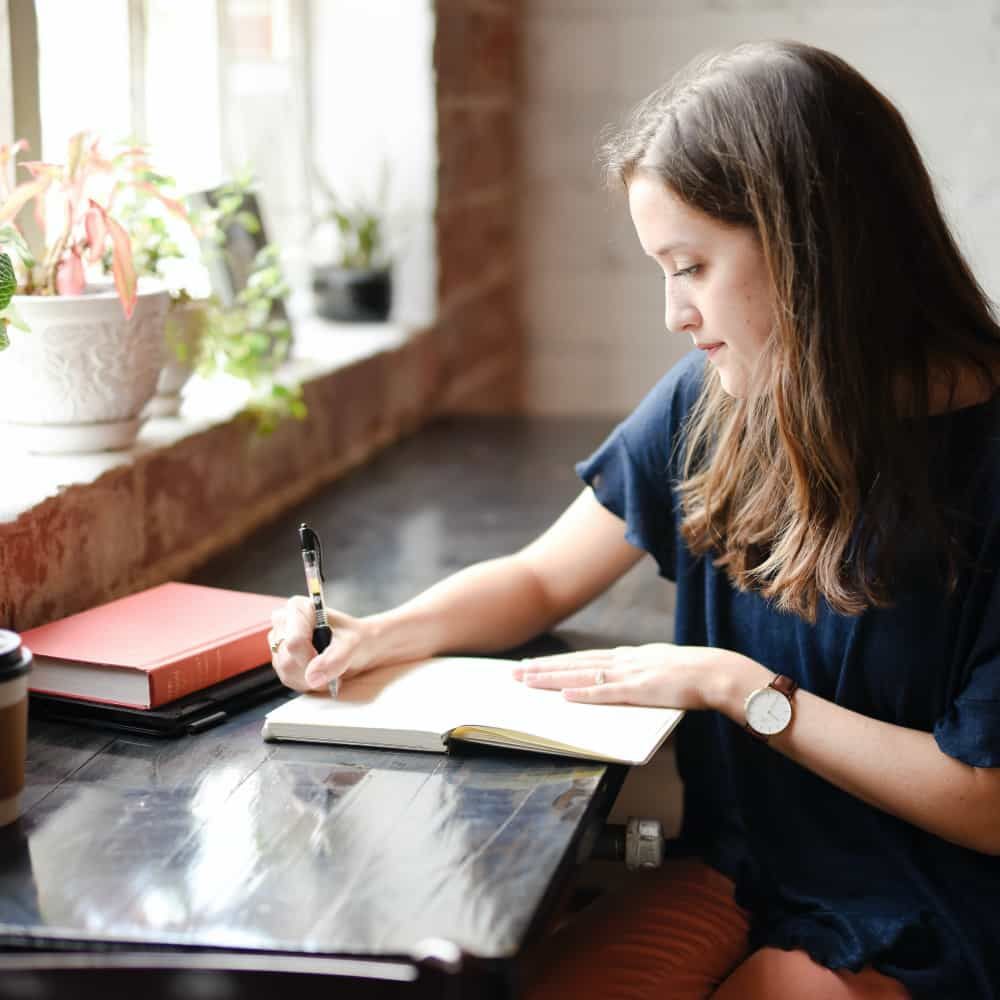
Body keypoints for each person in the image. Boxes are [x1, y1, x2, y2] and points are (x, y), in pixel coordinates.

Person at [269, 40, 1000, 999]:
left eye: (691, 266)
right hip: (742, 870)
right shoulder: (713, 403)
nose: (674, 314)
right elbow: (540, 577)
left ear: (814, 242)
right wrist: (379, 633)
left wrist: (741, 689)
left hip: (937, 901)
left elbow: (983, 803)